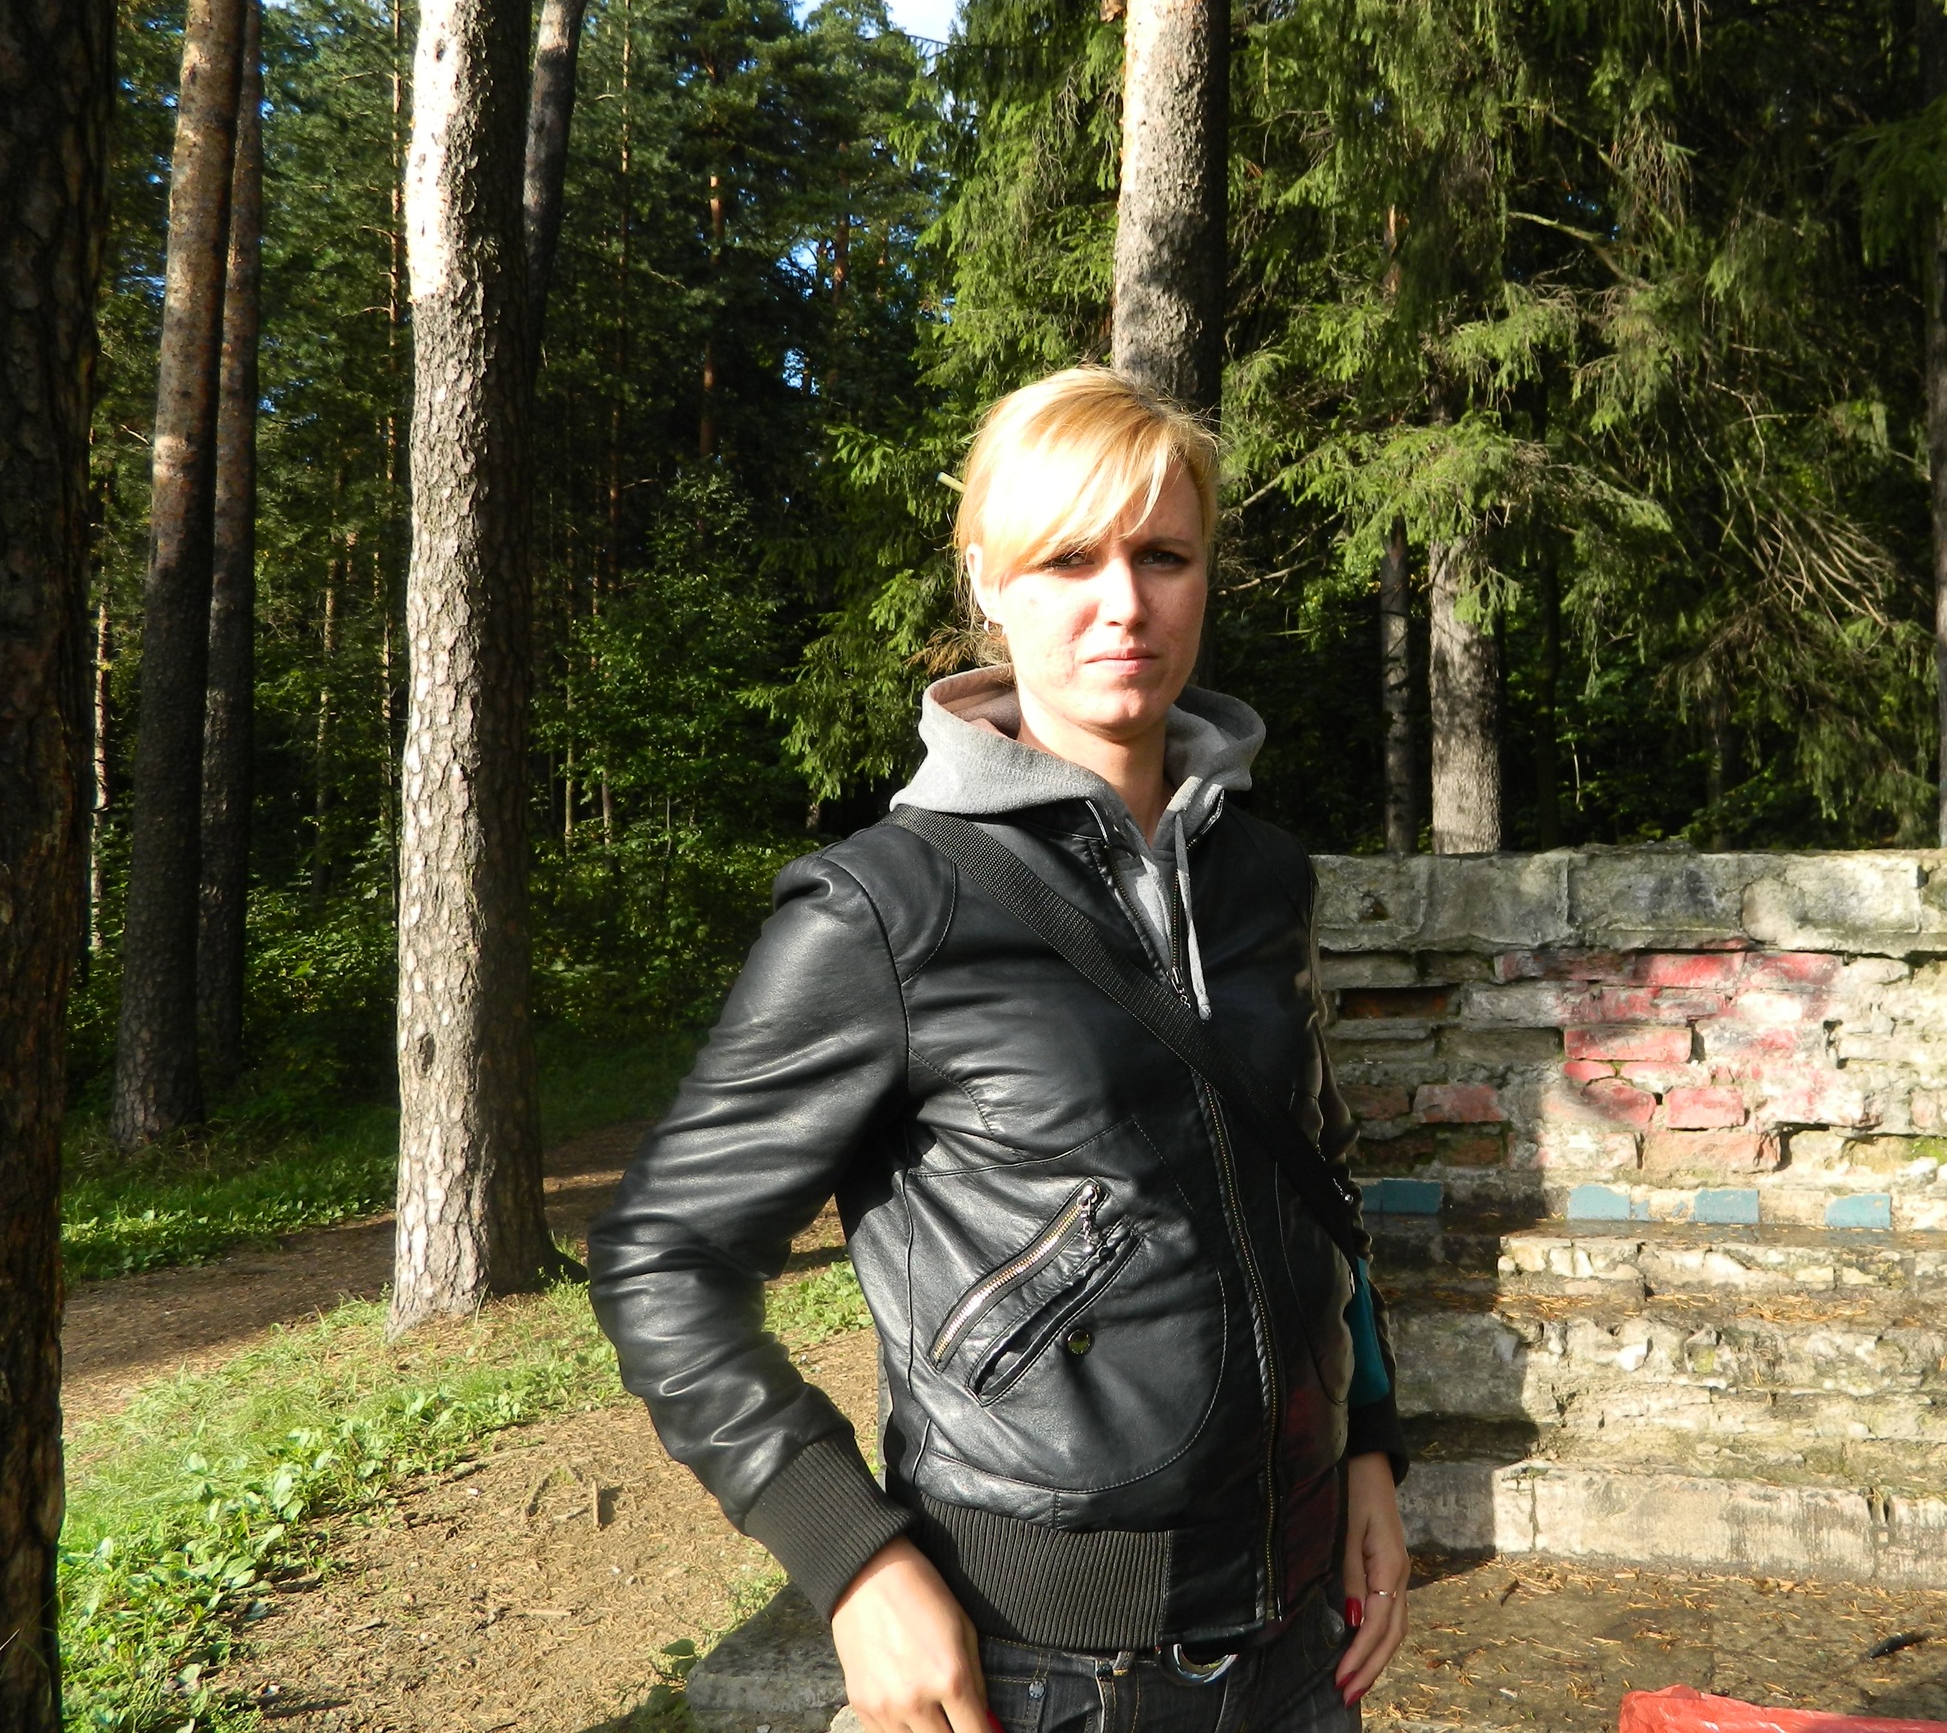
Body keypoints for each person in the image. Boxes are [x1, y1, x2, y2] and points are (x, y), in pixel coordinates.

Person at [589, 367, 1410, 1733]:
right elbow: (663, 1255)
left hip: (1300, 1642)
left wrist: (1369, 1438)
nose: (1123, 603)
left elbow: (1313, 1171)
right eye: (1070, 559)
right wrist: (851, 1559)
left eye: (1164, 556)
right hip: (1043, 1675)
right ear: (989, 579)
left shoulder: (1262, 876)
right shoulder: (884, 909)